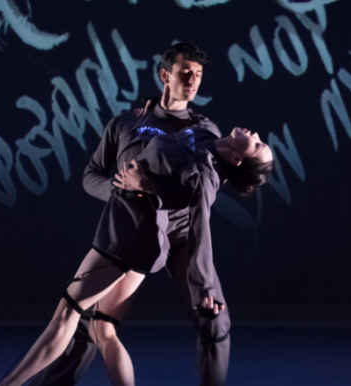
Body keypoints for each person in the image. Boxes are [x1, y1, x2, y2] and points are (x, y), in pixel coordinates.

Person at [0, 124, 273, 386]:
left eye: (257, 145)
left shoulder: (205, 174)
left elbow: (199, 231)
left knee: (67, 315)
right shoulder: (206, 135)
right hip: (133, 232)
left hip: (129, 238)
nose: (256, 134)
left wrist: (204, 289)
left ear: (237, 158)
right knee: (103, 330)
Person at [26, 43, 230, 386]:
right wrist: (122, 193)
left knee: (214, 319)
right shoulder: (128, 122)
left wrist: (151, 186)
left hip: (182, 237)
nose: (193, 80)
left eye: (198, 74)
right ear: (165, 75)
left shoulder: (204, 130)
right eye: (185, 73)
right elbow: (92, 175)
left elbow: (204, 191)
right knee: (90, 321)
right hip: (139, 234)